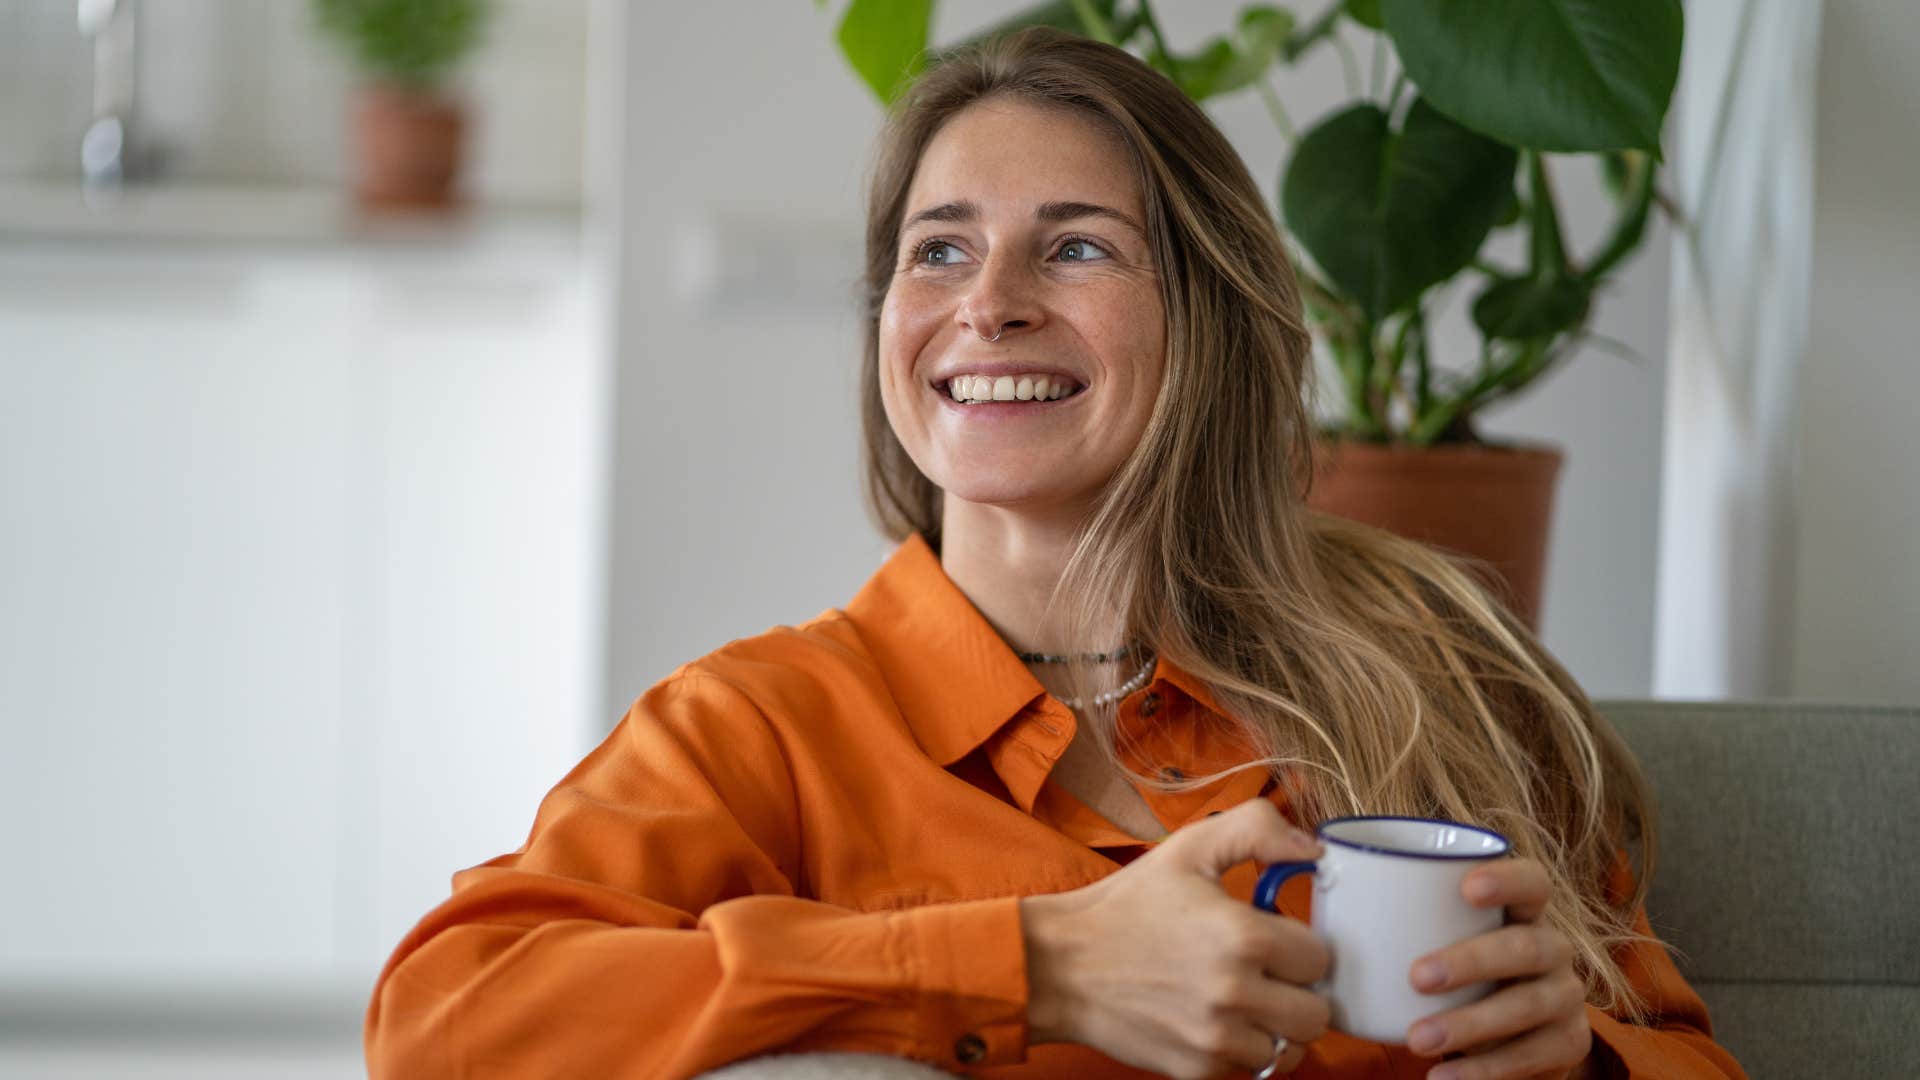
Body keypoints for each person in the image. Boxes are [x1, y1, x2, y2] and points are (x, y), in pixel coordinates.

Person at [365, 29, 1746, 1080]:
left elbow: (1682, 1050)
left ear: (1208, 314)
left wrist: (1582, 1062)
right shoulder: (761, 728)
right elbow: (443, 1020)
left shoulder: (1430, 675)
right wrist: (1035, 965)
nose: (989, 305)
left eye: (1076, 249)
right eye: (938, 252)